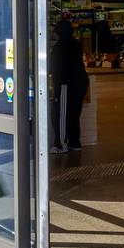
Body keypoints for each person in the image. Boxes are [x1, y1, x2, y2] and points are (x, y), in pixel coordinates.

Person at [50, 18, 90, 153]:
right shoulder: (76, 44)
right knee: (73, 114)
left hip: (65, 84)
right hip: (79, 84)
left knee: (61, 114)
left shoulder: (60, 46)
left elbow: (55, 66)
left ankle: (61, 145)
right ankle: (74, 142)